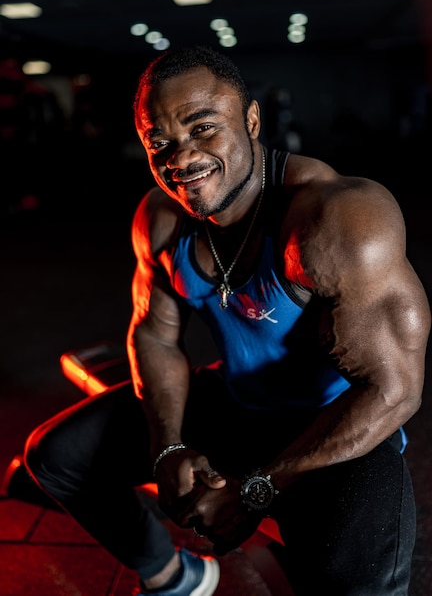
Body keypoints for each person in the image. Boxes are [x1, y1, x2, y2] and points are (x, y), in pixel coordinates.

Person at [24, 45, 431, 595]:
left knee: (359, 583)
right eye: (159, 143)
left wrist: (255, 490)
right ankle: (175, 578)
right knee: (57, 457)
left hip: (336, 425)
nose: (180, 157)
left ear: (252, 119)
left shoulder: (338, 220)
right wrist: (168, 446)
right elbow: (155, 336)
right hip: (238, 402)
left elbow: (393, 391)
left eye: (202, 128)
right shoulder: (161, 219)